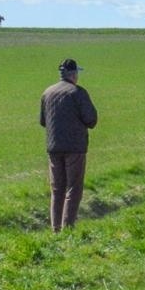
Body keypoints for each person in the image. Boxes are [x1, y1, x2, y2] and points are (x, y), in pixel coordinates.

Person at [40, 58, 99, 230]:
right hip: (75, 148)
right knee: (73, 188)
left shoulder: (47, 93)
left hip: (53, 147)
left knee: (57, 189)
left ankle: (55, 229)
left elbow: (43, 121)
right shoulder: (78, 92)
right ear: (74, 74)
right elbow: (91, 120)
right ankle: (68, 228)